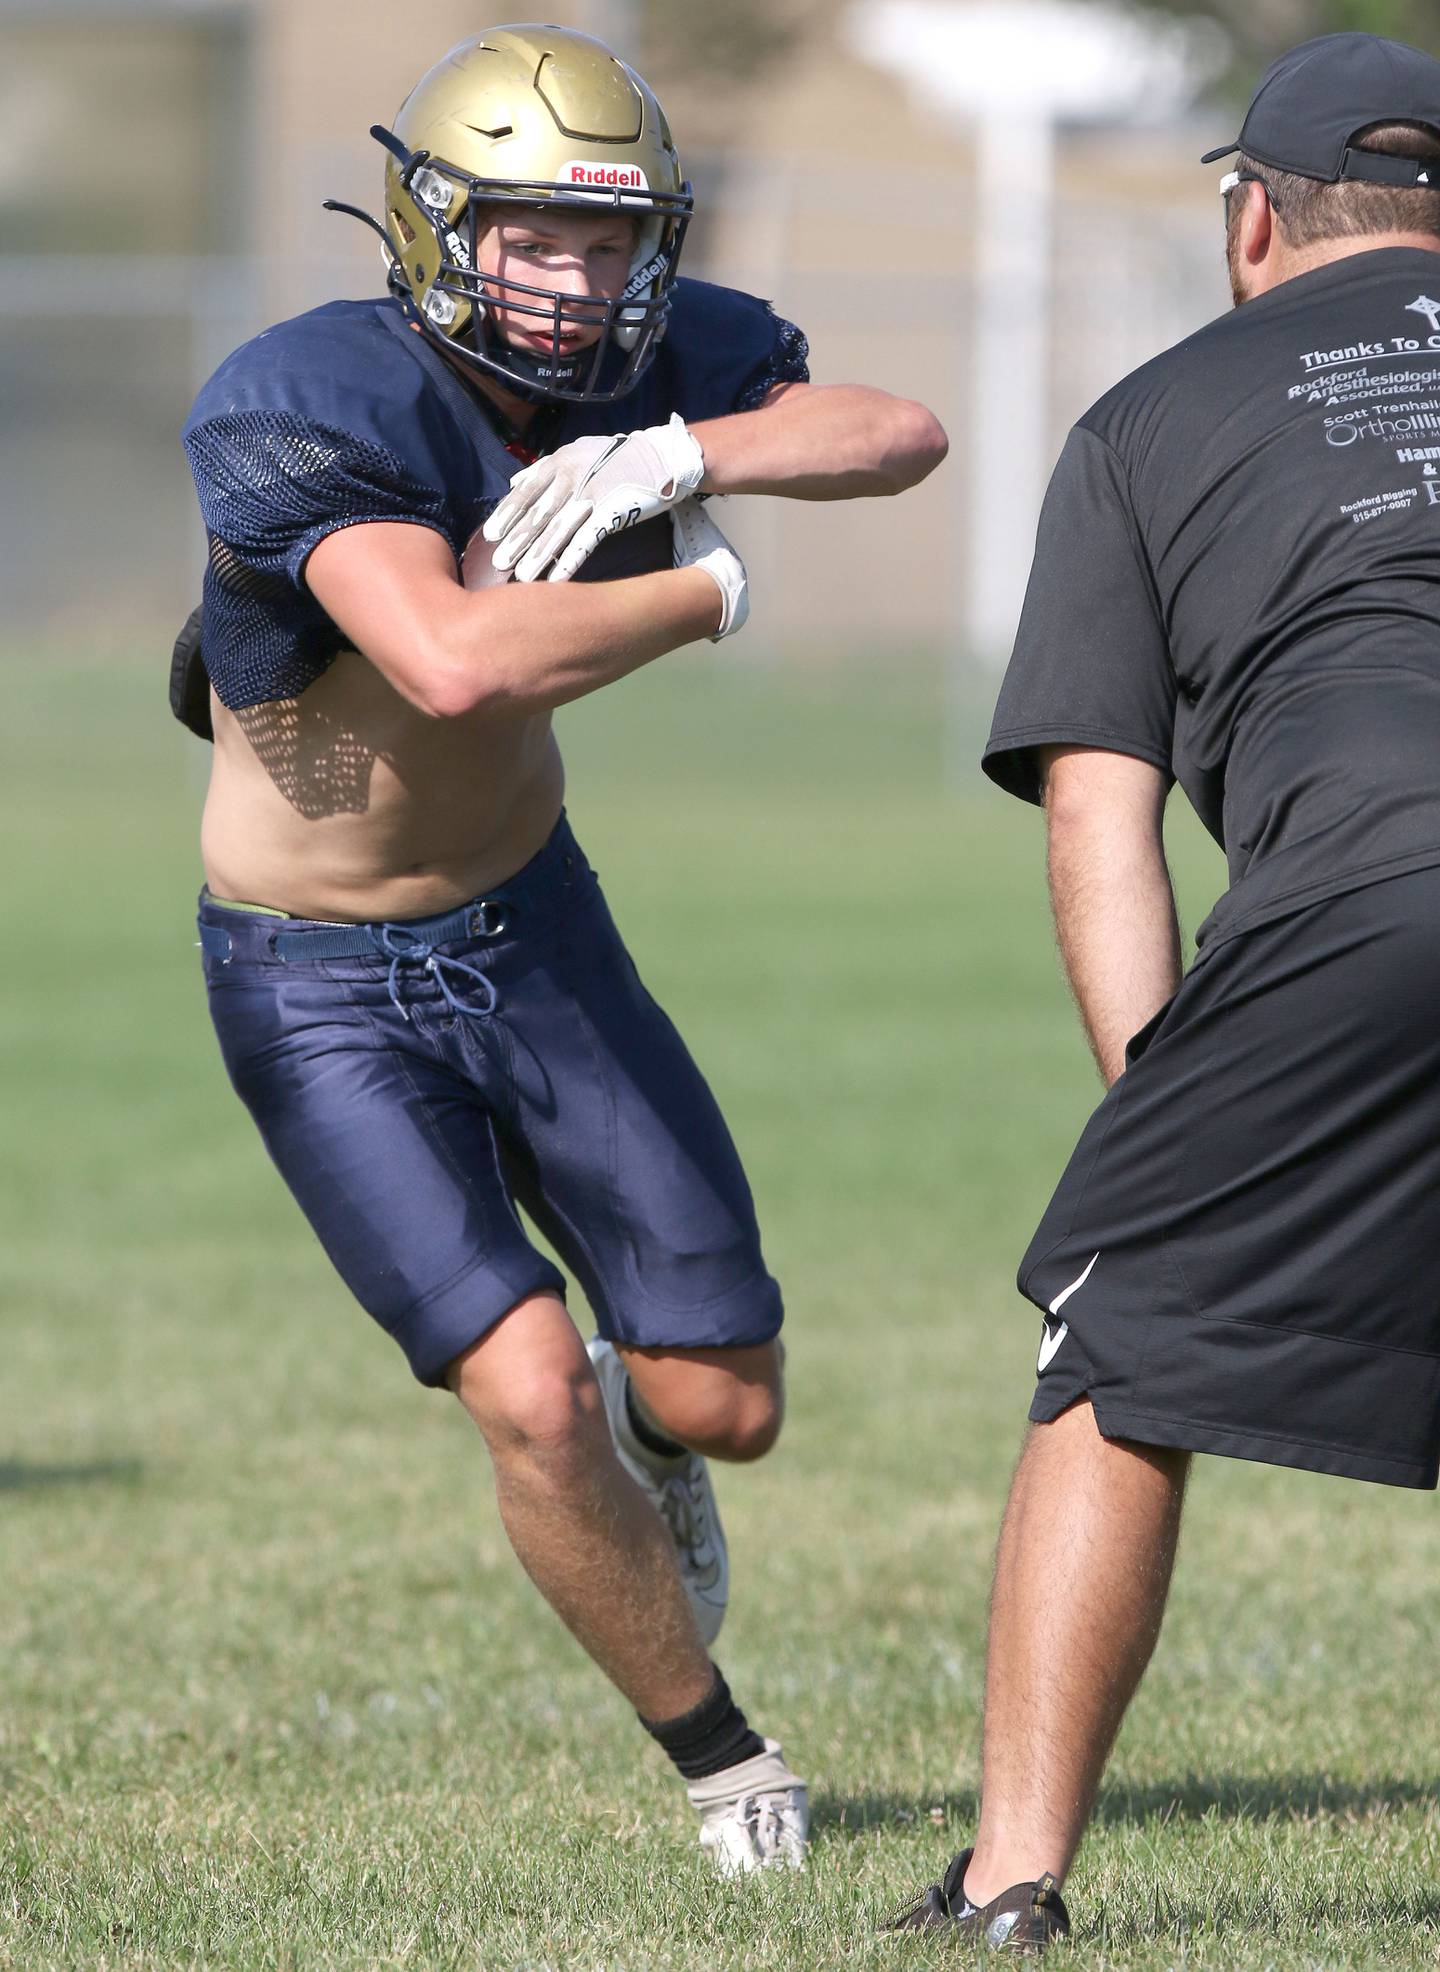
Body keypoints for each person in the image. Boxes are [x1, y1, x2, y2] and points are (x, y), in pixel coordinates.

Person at [178, 23, 946, 1876]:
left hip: (533, 923)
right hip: (318, 974)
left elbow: (899, 435)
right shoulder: (304, 396)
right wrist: (702, 582)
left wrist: (694, 440)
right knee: (522, 1392)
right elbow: (445, 658)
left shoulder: (647, 354)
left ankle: (650, 1437)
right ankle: (721, 1755)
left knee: (723, 1406)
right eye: (531, 237)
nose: (572, 280)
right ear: (442, 229)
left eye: (607, 243)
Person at [886, 29, 1440, 1951]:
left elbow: (1100, 822)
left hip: (1376, 889)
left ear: (1256, 219)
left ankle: (1012, 1882)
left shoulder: (1149, 417)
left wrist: (1166, 1118)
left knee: (1115, 1357)